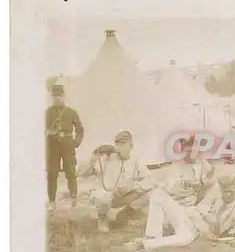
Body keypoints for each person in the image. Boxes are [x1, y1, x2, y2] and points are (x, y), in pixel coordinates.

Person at [124, 175, 235, 251]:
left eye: (230, 191)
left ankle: (145, 244)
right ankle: (152, 235)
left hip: (194, 232)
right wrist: (207, 230)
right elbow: (198, 212)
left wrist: (225, 236)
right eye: (224, 191)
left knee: (183, 240)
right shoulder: (215, 196)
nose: (226, 194)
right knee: (158, 194)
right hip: (188, 219)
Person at [77, 131, 154, 233]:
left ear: (130, 146)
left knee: (152, 192)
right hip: (109, 197)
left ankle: (125, 214)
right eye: (117, 144)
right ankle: (103, 218)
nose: (118, 147)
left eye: (122, 144)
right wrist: (92, 159)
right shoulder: (106, 159)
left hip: (126, 196)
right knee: (101, 196)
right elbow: (81, 173)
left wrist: (133, 185)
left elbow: (151, 180)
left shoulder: (137, 160)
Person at [46, 80, 84, 211]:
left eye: (59, 95)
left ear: (63, 96)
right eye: (54, 96)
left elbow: (80, 130)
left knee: (71, 172)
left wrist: (75, 143)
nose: (56, 98)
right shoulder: (47, 113)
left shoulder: (71, 112)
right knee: (52, 173)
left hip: (68, 145)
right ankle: (51, 201)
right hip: (52, 146)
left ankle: (74, 199)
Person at [159, 135, 214, 207]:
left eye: (194, 150)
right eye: (188, 151)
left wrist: (201, 190)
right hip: (179, 201)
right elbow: (170, 188)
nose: (192, 154)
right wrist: (186, 184)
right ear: (183, 151)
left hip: (194, 201)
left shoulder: (201, 162)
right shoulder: (177, 166)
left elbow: (209, 178)